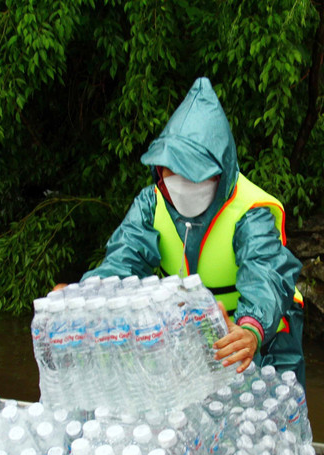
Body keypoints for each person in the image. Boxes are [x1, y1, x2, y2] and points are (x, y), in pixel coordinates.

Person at [76, 77, 306, 384]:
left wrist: (251, 328)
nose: (182, 182)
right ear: (160, 168)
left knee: (270, 405)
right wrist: (86, 296)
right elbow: (122, 262)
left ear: (219, 172)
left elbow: (265, 275)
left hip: (264, 337)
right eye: (174, 169)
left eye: (194, 173)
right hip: (193, 332)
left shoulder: (250, 212)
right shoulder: (151, 204)